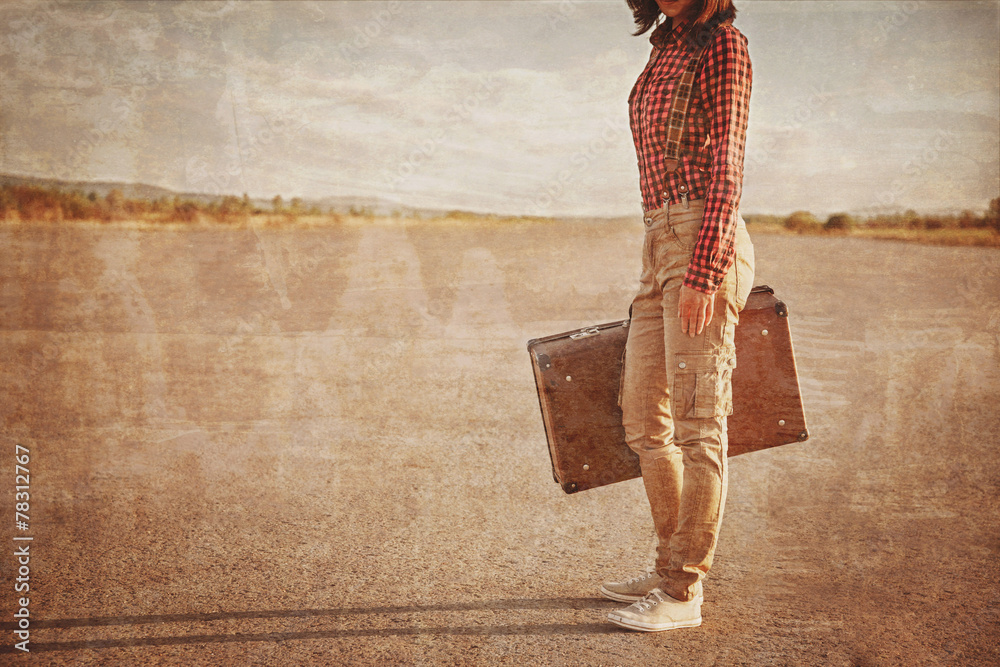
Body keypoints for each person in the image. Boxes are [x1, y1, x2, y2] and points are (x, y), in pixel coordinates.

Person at [602, 0, 755, 632]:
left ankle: (684, 590)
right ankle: (669, 560)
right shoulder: (666, 47)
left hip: (702, 237)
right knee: (644, 418)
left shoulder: (725, 44)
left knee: (698, 425)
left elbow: (727, 161)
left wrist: (705, 269)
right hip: (658, 236)